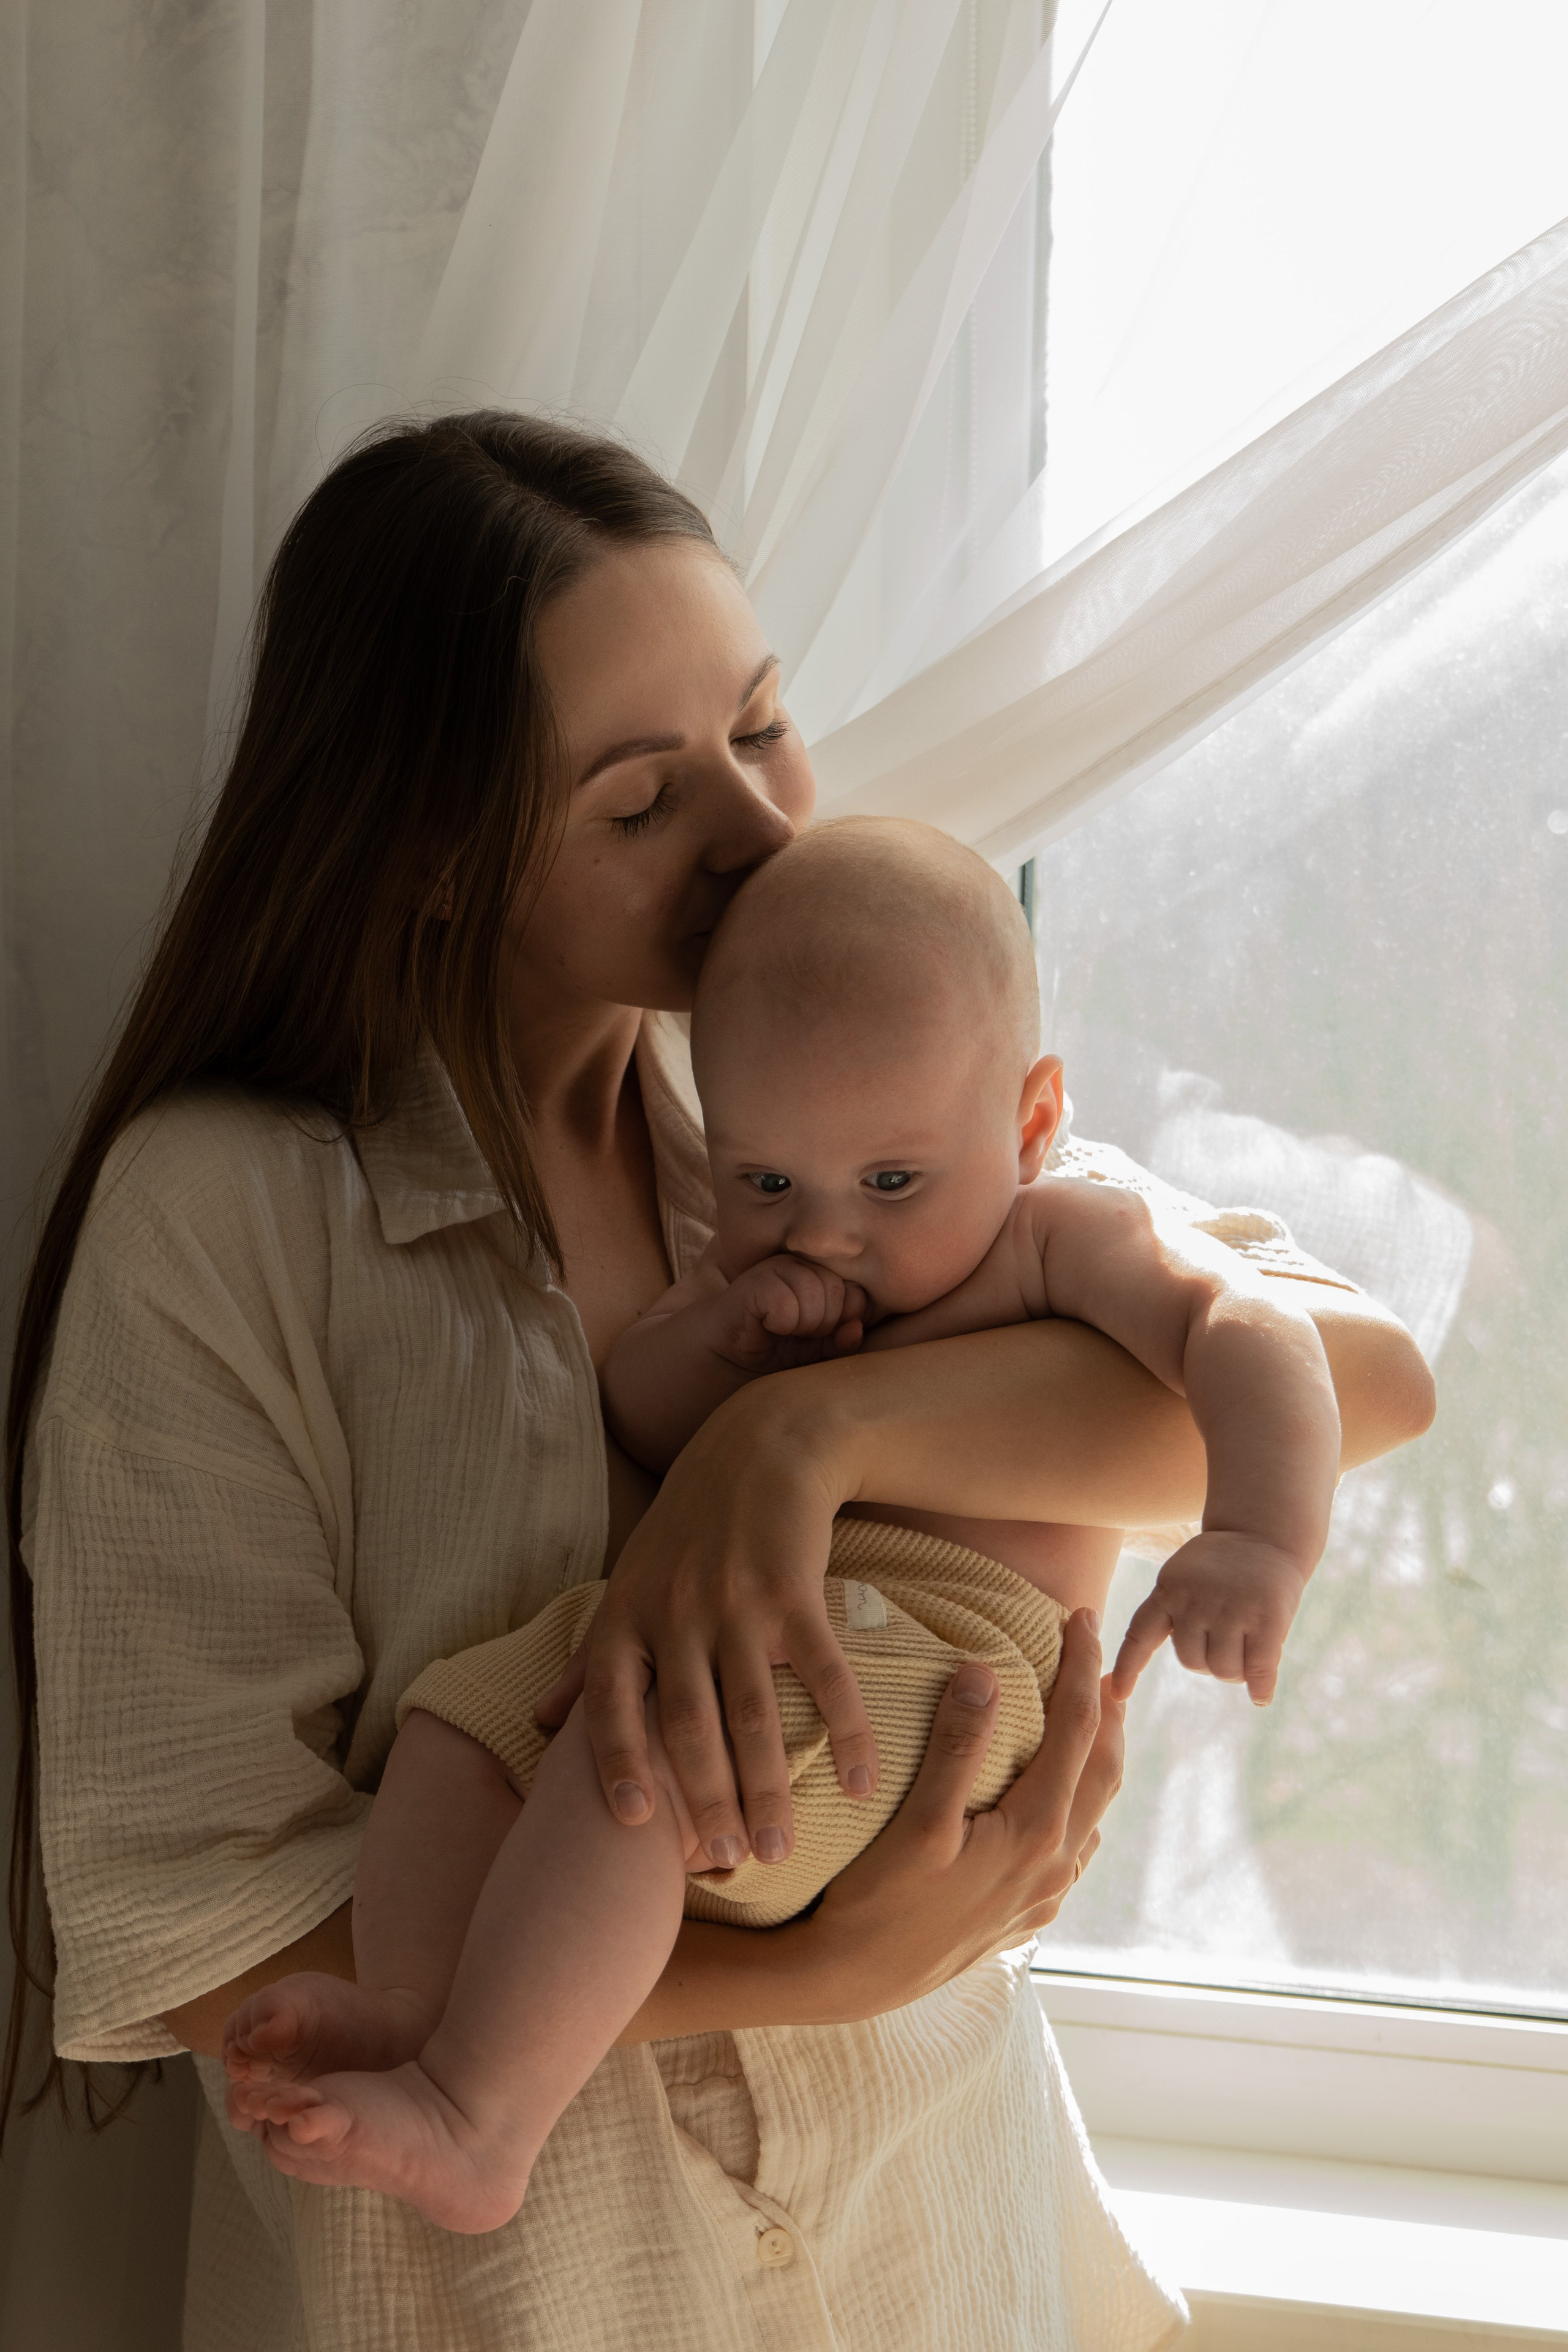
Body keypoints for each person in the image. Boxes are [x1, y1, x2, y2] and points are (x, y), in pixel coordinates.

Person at [6, 413, 1435, 2352]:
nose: (763, 834)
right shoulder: (233, 1221)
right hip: (526, 2295)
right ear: (438, 854)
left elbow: (1367, 1373)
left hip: (935, 2251)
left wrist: (808, 1428)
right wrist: (825, 1968)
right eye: (641, 800)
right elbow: (199, 1929)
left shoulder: (828, 1148)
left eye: (762, 727)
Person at [221, 816, 1346, 2235]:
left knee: (634, 1763)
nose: (824, 1234)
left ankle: (478, 2120)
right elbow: (634, 1407)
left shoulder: (1050, 1240)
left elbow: (1249, 1325)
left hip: (938, 1659)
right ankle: (419, 2016)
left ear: (1029, 1119)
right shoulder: (746, 1271)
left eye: (888, 1183)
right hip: (758, 1625)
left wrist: (1256, 1532)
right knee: (455, 1732)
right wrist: (725, 1342)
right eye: (768, 1183)